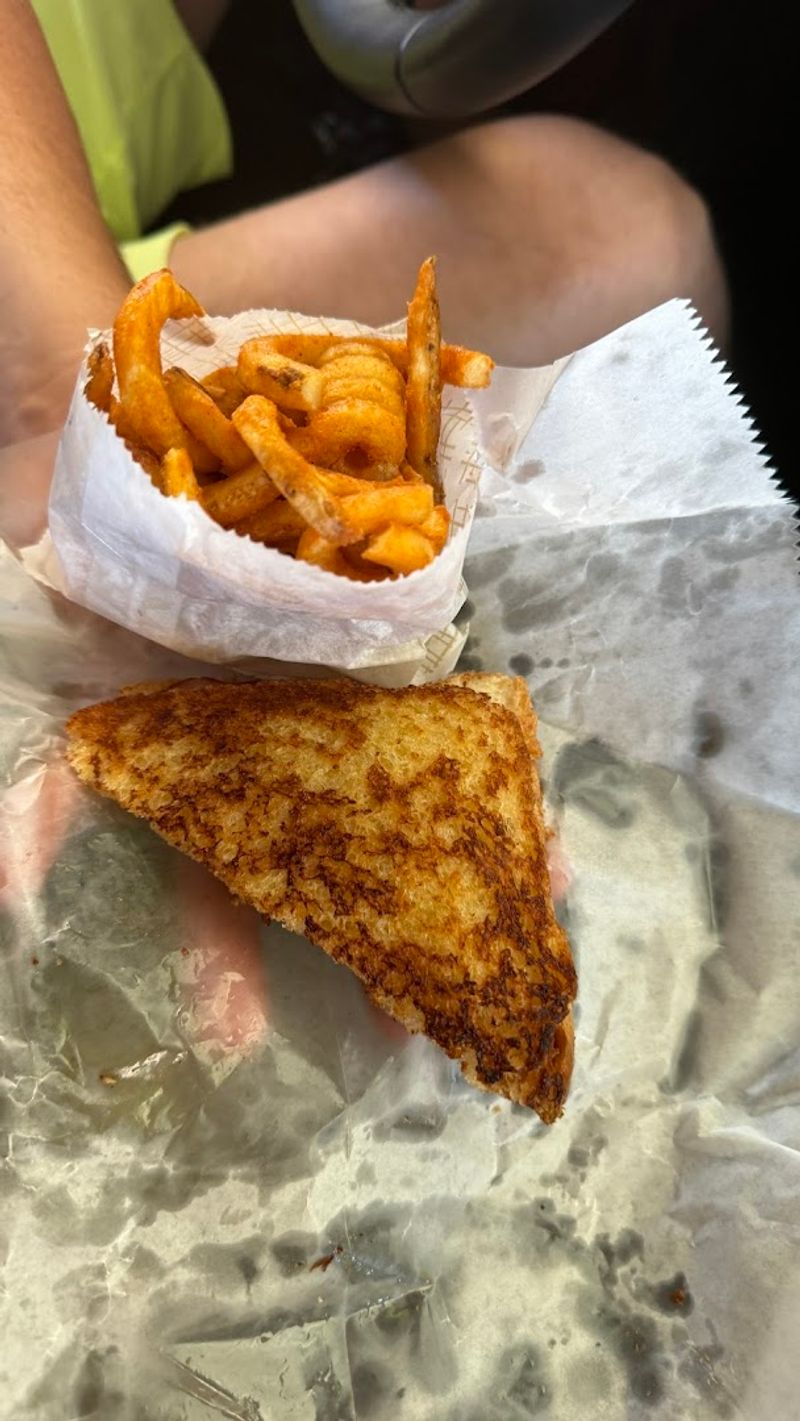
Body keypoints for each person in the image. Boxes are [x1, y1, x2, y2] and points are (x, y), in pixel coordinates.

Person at [0, 0, 729, 459]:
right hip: (39, 313)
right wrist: (63, 389)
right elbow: (58, 400)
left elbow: (445, 60)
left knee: (623, 252)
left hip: (85, 204)